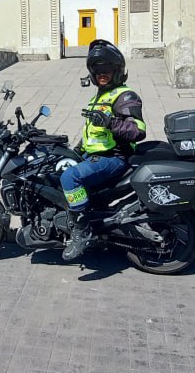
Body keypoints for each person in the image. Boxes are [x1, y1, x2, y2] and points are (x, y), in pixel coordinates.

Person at [60, 39, 147, 261]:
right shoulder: (98, 97)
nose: (102, 75)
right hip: (95, 156)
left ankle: (82, 230)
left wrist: (110, 122)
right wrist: (74, 149)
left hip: (114, 158)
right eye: (98, 71)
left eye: (107, 70)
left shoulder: (125, 96)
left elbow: (138, 130)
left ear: (117, 71)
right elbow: (93, 133)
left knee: (70, 178)